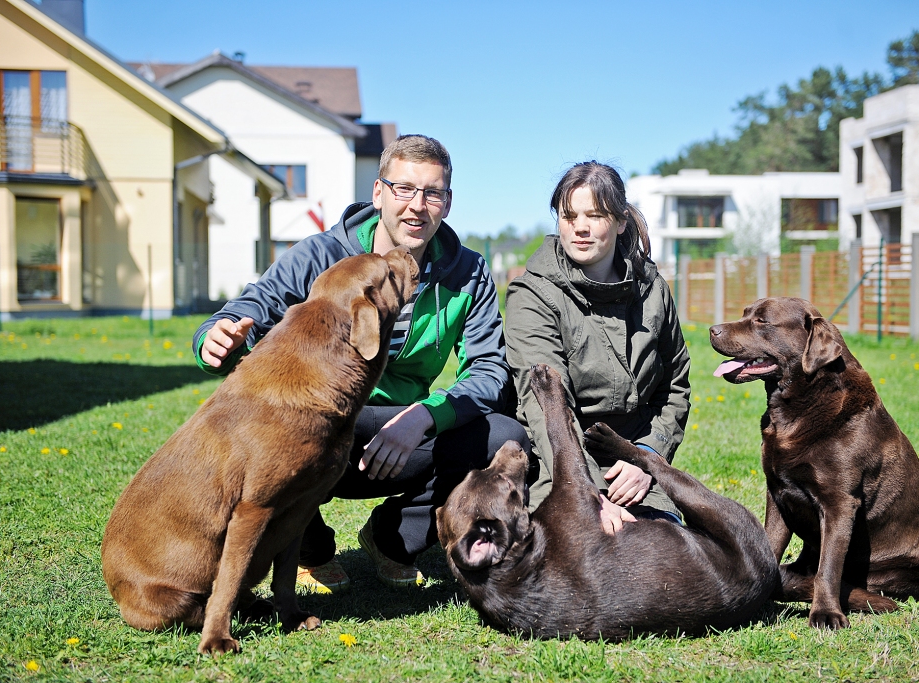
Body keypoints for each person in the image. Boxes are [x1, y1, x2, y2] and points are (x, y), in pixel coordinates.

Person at [193, 135, 529, 591]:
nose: (417, 206)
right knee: (264, 421)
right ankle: (309, 550)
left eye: (432, 193)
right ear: (378, 193)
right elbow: (252, 308)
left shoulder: (468, 272)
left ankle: (393, 539)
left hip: (404, 430)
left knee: (503, 435)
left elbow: (489, 370)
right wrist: (217, 338)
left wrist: (423, 416)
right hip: (323, 422)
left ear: (447, 203)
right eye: (404, 189)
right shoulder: (321, 255)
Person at [505, 161, 691, 535]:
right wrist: (590, 493)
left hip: (635, 469)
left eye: (595, 215)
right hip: (561, 462)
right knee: (593, 551)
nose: (580, 227)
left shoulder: (653, 290)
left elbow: (674, 387)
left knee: (668, 551)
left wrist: (647, 457)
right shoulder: (532, 297)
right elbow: (547, 410)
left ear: (621, 221)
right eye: (569, 216)